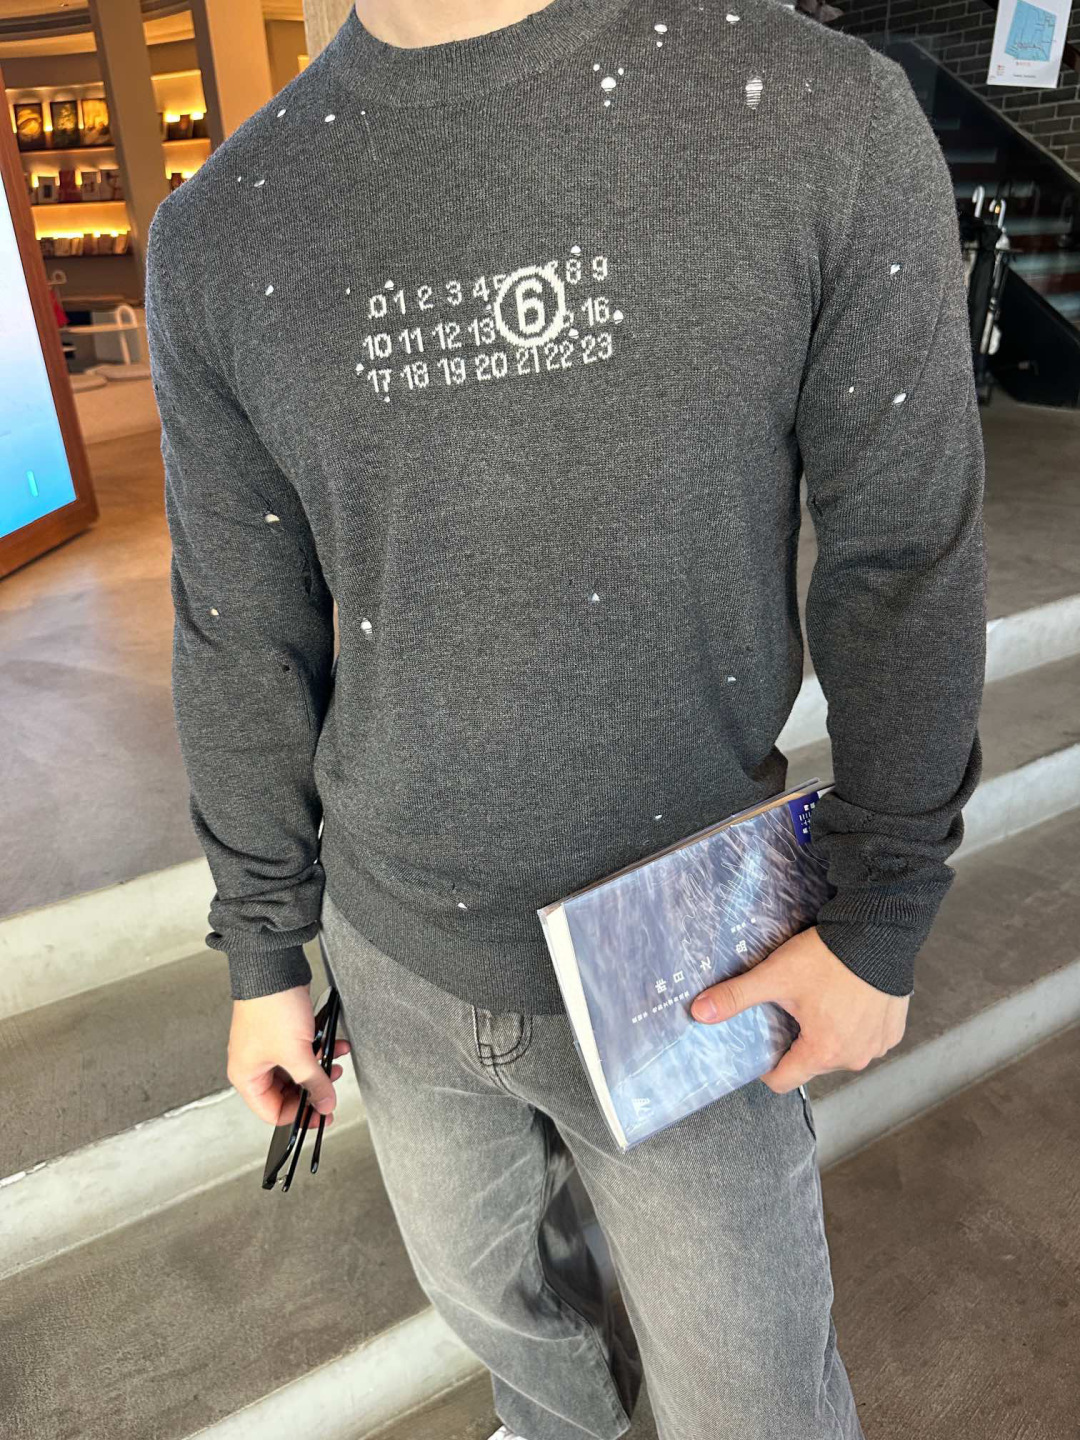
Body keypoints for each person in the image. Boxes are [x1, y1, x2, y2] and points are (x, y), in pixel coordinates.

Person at [144, 0, 986, 1434]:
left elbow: (904, 554)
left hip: (691, 944)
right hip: (394, 952)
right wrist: (264, 947)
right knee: (527, 1362)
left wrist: (886, 903)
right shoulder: (224, 229)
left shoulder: (812, 115)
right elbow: (240, 633)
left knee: (757, 1409)